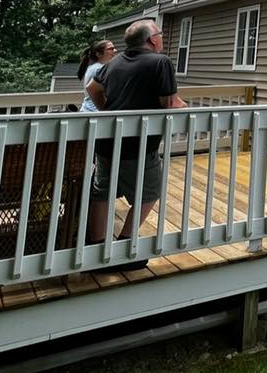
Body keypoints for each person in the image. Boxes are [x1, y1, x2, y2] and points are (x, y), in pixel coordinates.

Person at [85, 18, 187, 269]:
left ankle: (95, 248)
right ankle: (124, 246)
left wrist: (108, 112)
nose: (162, 38)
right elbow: (169, 103)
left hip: (107, 140)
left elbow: (92, 88)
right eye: (160, 34)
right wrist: (182, 106)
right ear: (152, 40)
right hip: (138, 144)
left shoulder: (115, 62)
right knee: (150, 191)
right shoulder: (160, 62)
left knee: (102, 192)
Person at [74, 39, 117, 112]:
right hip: (94, 113)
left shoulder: (93, 67)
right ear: (98, 54)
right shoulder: (99, 69)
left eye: (114, 48)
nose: (115, 50)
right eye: (110, 49)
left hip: (88, 110)